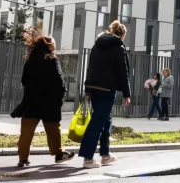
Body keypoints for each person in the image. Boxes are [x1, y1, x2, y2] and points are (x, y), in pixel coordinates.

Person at [14, 31, 74, 168]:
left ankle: (23, 159)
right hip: (50, 102)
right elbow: (59, 81)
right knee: (53, 130)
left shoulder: (30, 61)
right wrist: (59, 97)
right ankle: (59, 154)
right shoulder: (52, 60)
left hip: (32, 102)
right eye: (54, 44)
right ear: (50, 46)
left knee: (26, 132)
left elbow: (24, 80)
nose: (55, 46)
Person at [79, 21, 132, 169]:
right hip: (107, 89)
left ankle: (105, 155)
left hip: (93, 85)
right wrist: (127, 93)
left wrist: (87, 87)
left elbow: (90, 66)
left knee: (106, 120)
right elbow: (123, 71)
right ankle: (88, 158)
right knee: (97, 122)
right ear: (122, 35)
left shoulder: (98, 44)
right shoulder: (118, 47)